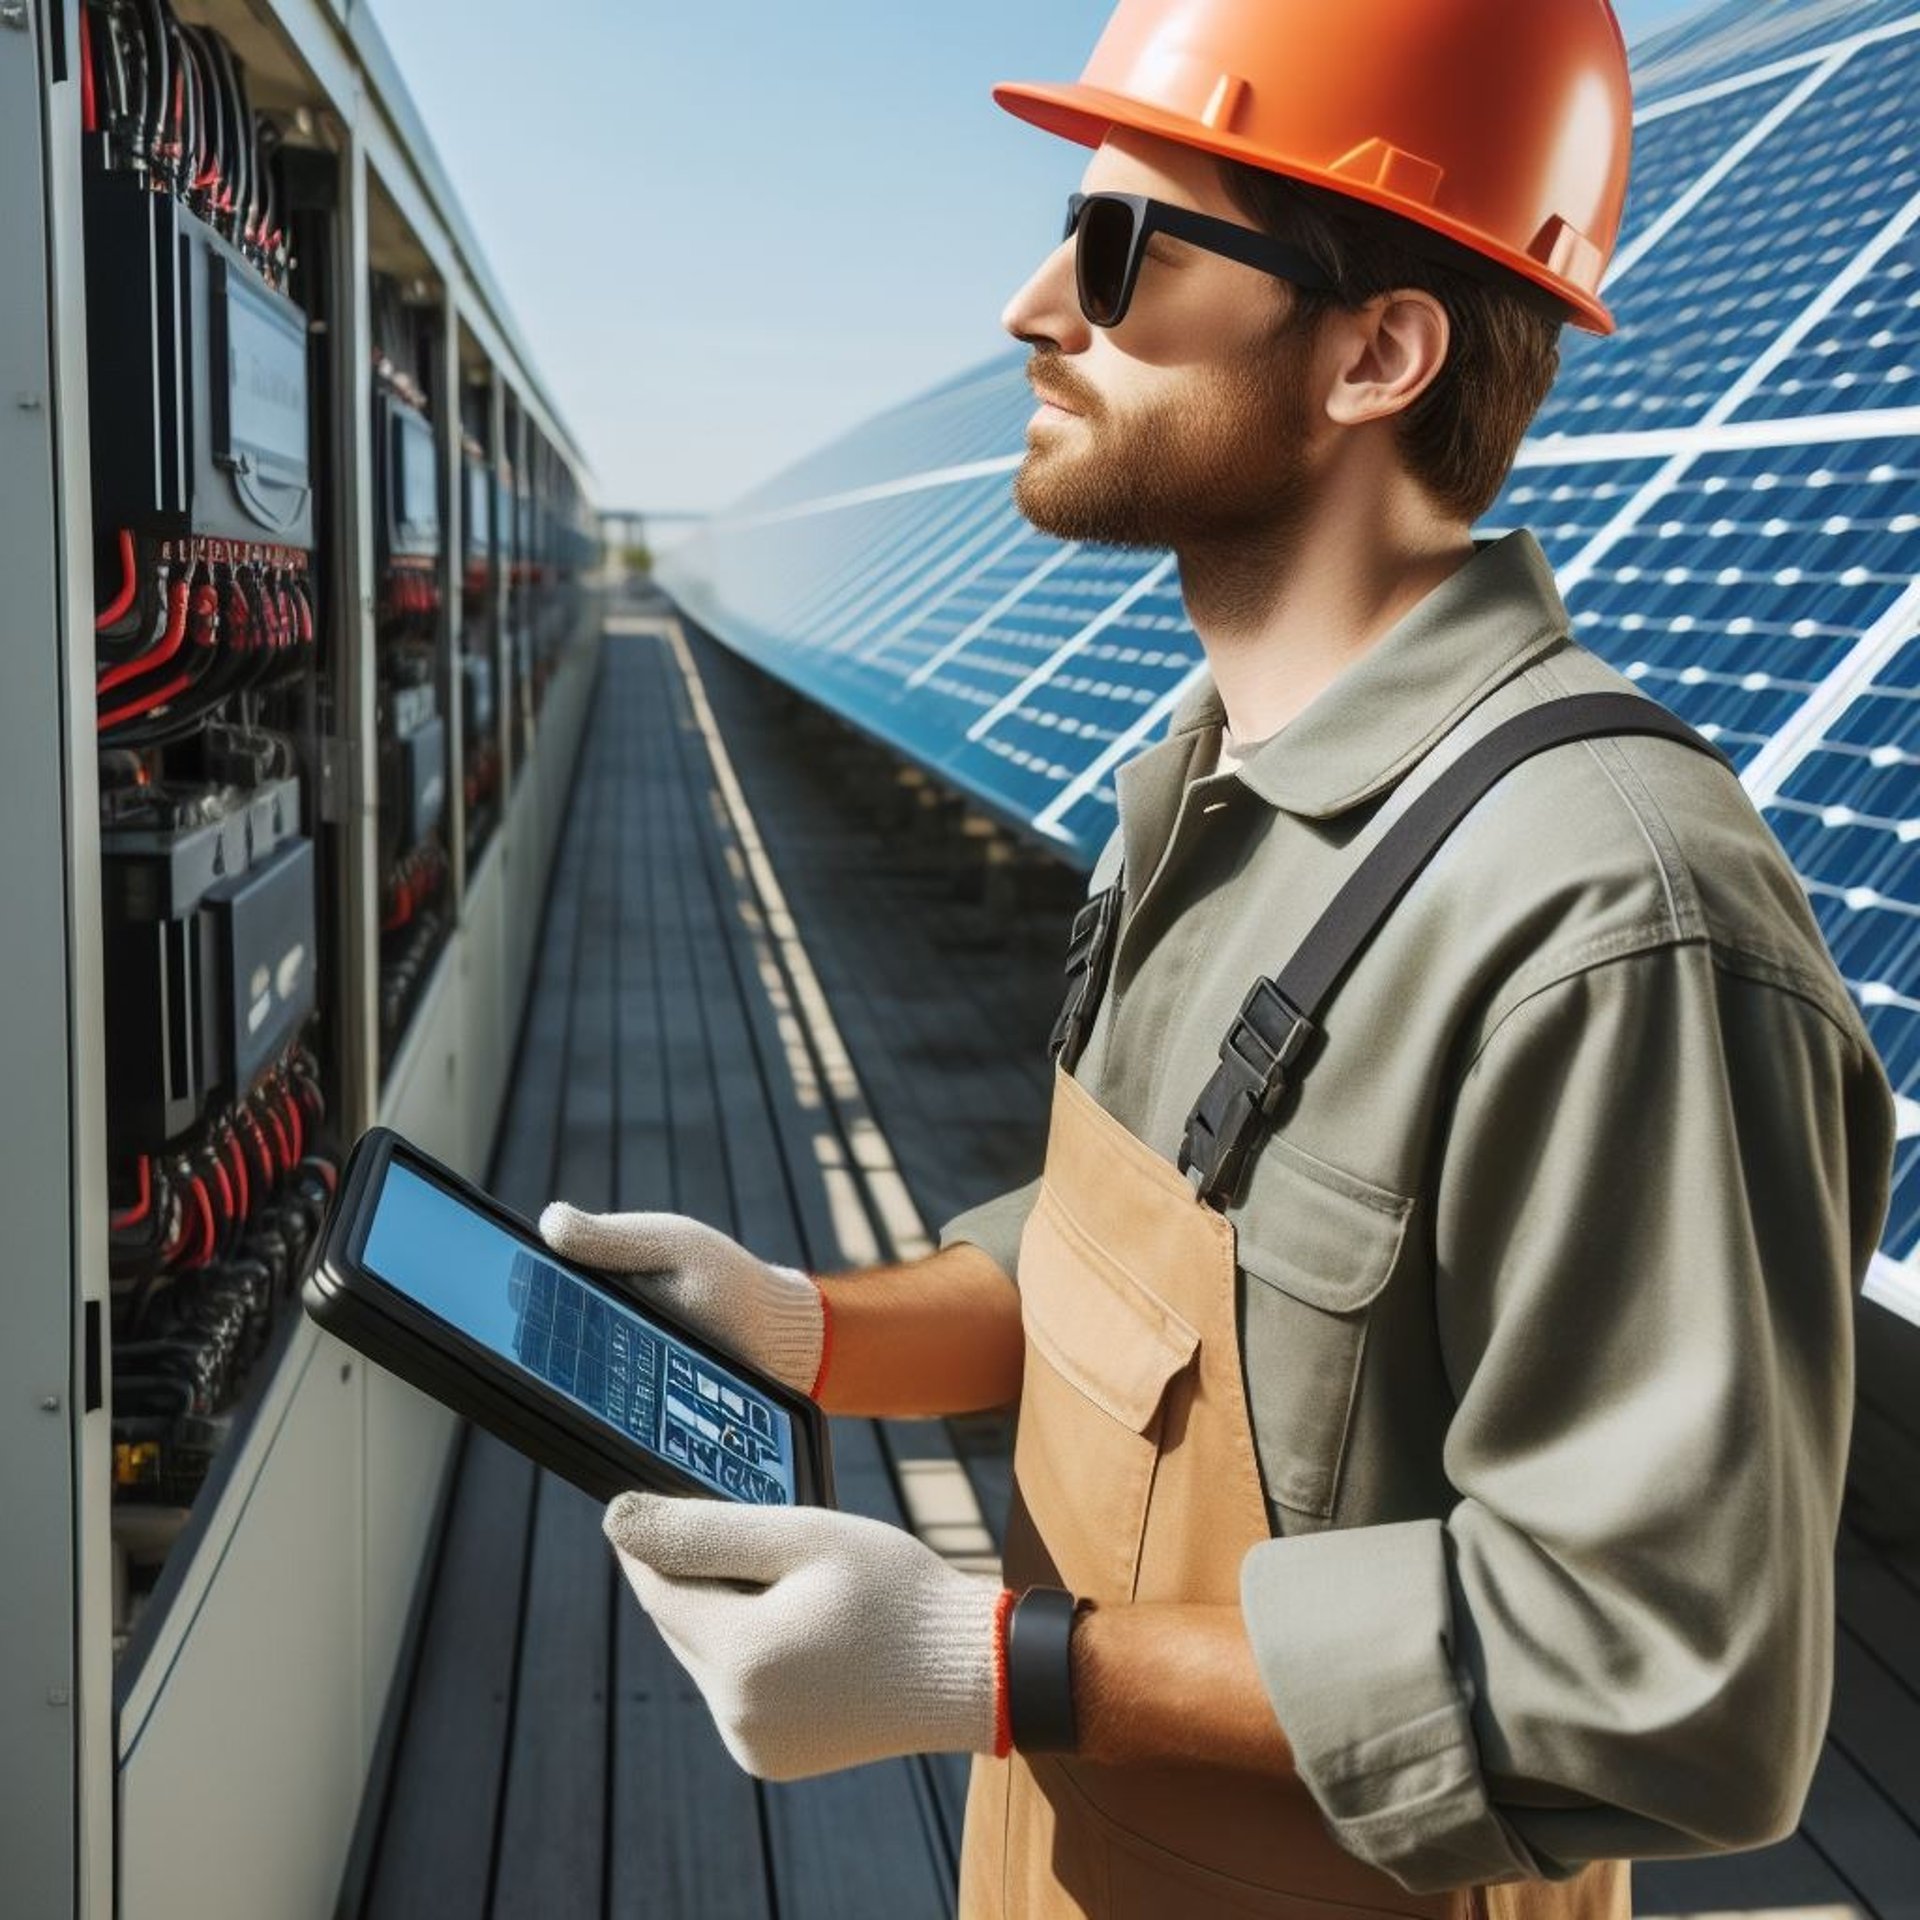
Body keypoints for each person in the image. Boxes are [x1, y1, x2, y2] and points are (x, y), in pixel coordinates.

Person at [539, 1, 1898, 1914]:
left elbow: (1665, 1687)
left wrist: (985, 1662)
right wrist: (804, 1328)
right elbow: (1145, 1261)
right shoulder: (1200, 778)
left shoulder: (1613, 919)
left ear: (1376, 351)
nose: (1030, 306)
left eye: (1115, 249)